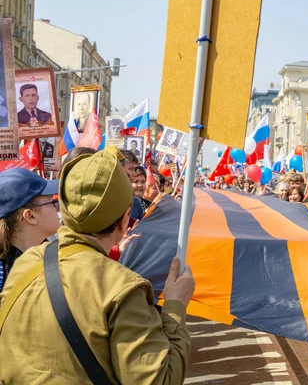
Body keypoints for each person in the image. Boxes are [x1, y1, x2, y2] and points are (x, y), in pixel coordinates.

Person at [0, 149, 195, 383]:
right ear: (125, 220)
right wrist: (175, 307)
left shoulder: (26, 263)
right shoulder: (124, 288)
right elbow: (158, 380)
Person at [0, 169, 59, 291]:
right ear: (30, 216)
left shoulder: (52, 251)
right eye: (52, 202)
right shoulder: (3, 274)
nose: (57, 207)